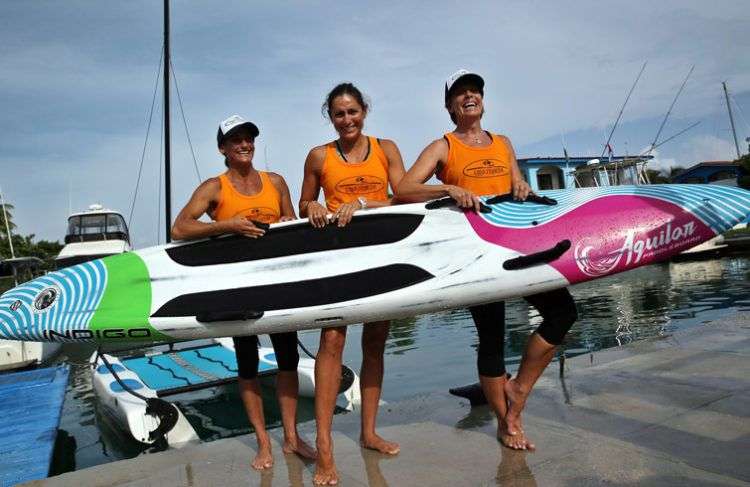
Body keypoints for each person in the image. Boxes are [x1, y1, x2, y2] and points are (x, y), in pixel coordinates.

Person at [396, 70, 578, 451]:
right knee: (491, 335)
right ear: (449, 106)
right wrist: (448, 187)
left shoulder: (503, 143)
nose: (468, 97)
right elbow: (404, 189)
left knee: (563, 313)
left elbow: (515, 186)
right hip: (474, 250)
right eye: (460, 93)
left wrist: (522, 185)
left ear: (483, 99)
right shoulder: (442, 146)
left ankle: (519, 389)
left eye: (474, 91)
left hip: (517, 244)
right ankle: (507, 422)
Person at [171, 114, 316, 469]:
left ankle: (292, 437)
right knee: (248, 364)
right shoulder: (215, 187)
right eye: (235, 139)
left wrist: (287, 222)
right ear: (223, 147)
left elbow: (288, 222)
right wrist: (226, 225)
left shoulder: (275, 181)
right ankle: (263, 443)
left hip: (277, 283)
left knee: (288, 360)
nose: (244, 144)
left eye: (249, 138)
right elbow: (179, 228)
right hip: (237, 287)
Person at [299, 83, 406, 485]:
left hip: (381, 252)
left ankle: (368, 430)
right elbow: (303, 204)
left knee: (376, 340)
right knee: (332, 341)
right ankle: (324, 445)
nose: (347, 120)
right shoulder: (318, 155)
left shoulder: (386, 148)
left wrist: (362, 204)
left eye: (353, 112)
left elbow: (404, 197)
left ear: (365, 111)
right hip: (337, 257)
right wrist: (312, 205)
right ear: (330, 117)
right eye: (339, 114)